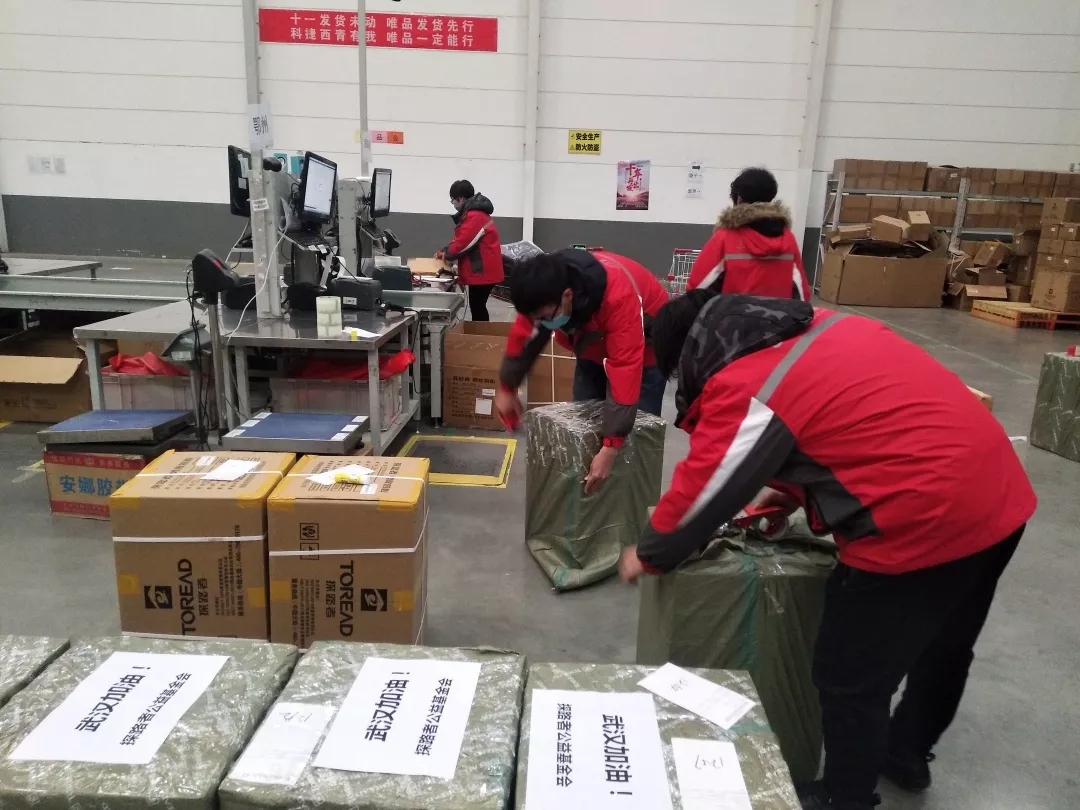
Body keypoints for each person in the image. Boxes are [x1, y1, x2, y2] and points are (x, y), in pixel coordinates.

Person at [618, 290, 1036, 810]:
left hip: (920, 518)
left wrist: (651, 553)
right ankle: (906, 755)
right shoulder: (822, 327)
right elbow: (852, 420)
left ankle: (845, 797)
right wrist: (792, 493)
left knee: (849, 676)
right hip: (998, 496)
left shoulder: (747, 382)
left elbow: (707, 488)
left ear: (690, 355)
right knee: (944, 646)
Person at [495, 248, 669, 493]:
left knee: (637, 437)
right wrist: (507, 386)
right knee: (584, 427)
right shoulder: (544, 290)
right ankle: (590, 498)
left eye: (545, 316)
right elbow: (525, 337)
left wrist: (611, 446)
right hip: (593, 344)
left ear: (567, 295)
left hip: (646, 350)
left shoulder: (617, 297)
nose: (542, 322)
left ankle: (634, 503)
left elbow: (625, 367)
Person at [687, 167, 810, 300]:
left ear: (739, 199)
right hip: (779, 313)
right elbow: (802, 294)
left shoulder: (725, 238)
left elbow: (697, 288)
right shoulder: (788, 239)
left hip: (732, 313)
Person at [436, 180, 504, 321]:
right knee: (477, 306)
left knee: (478, 307)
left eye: (453, 200)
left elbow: (463, 243)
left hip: (483, 271)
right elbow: (460, 238)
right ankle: (479, 333)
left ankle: (480, 334)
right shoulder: (473, 214)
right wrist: (444, 250)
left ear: (460, 199)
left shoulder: (475, 216)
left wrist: (447, 254)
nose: (453, 204)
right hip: (483, 269)